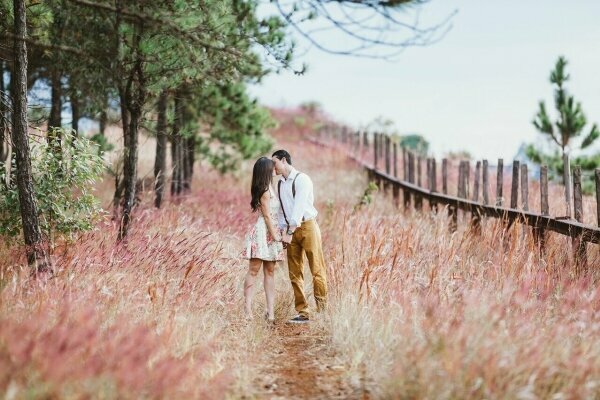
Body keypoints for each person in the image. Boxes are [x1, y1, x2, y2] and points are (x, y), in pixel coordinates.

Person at [272, 149, 327, 324]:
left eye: (274, 163)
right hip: (290, 230)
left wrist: (289, 231)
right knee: (294, 272)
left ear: (283, 160)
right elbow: (282, 211)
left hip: (307, 226)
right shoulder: (279, 183)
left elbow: (299, 207)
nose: (273, 167)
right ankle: (303, 312)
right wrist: (283, 231)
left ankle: (322, 311)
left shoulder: (302, 179)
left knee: (317, 269)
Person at [243, 157, 284, 322]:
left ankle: (270, 311)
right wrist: (275, 236)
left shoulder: (272, 187)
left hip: (272, 230)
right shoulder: (265, 190)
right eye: (271, 167)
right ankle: (247, 310)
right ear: (265, 171)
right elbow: (266, 215)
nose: (274, 169)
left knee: (270, 271)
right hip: (263, 232)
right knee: (253, 270)